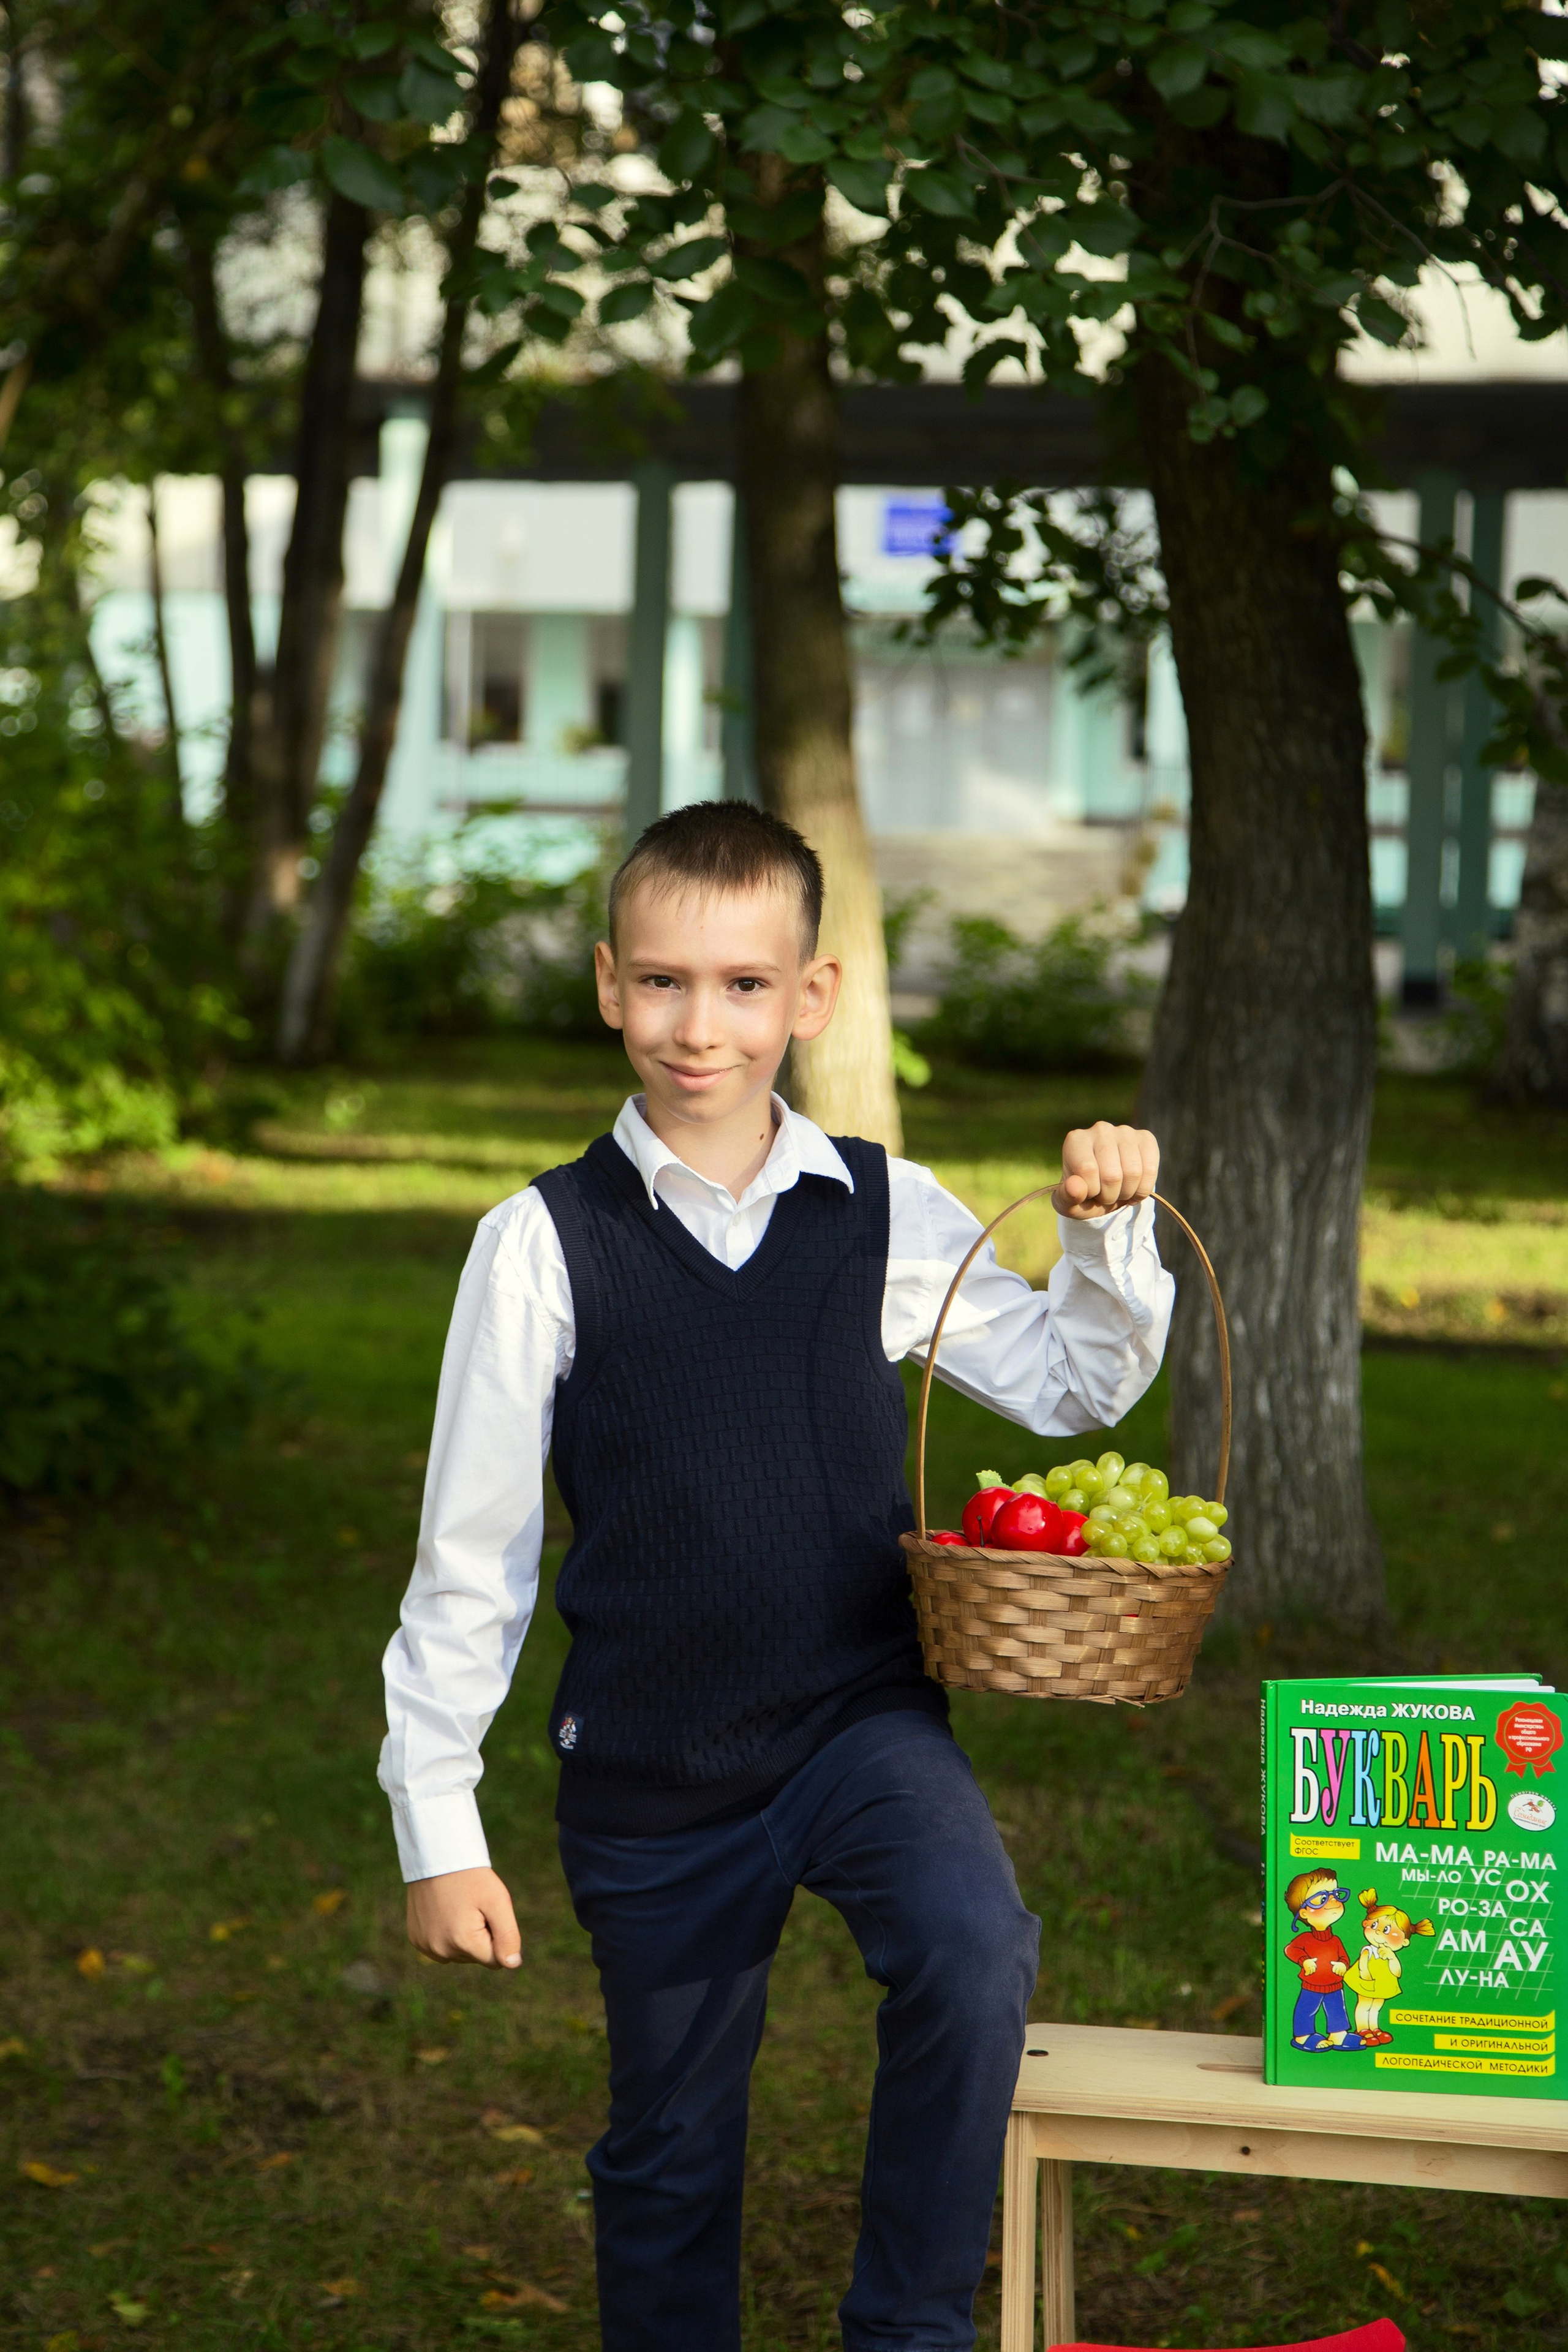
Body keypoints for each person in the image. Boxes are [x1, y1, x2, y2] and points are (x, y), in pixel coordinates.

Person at [378, 802, 1174, 2352]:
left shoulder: (876, 1210)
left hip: (854, 1720)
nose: (699, 1025)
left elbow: (1074, 1387)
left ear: (809, 997)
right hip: (654, 1762)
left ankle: (910, 2329)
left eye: (744, 985)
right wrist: (437, 1824)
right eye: (663, 982)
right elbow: (469, 1560)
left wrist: (1104, 1232)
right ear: (609, 985)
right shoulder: (540, 1245)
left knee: (971, 1945)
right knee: (670, 2152)